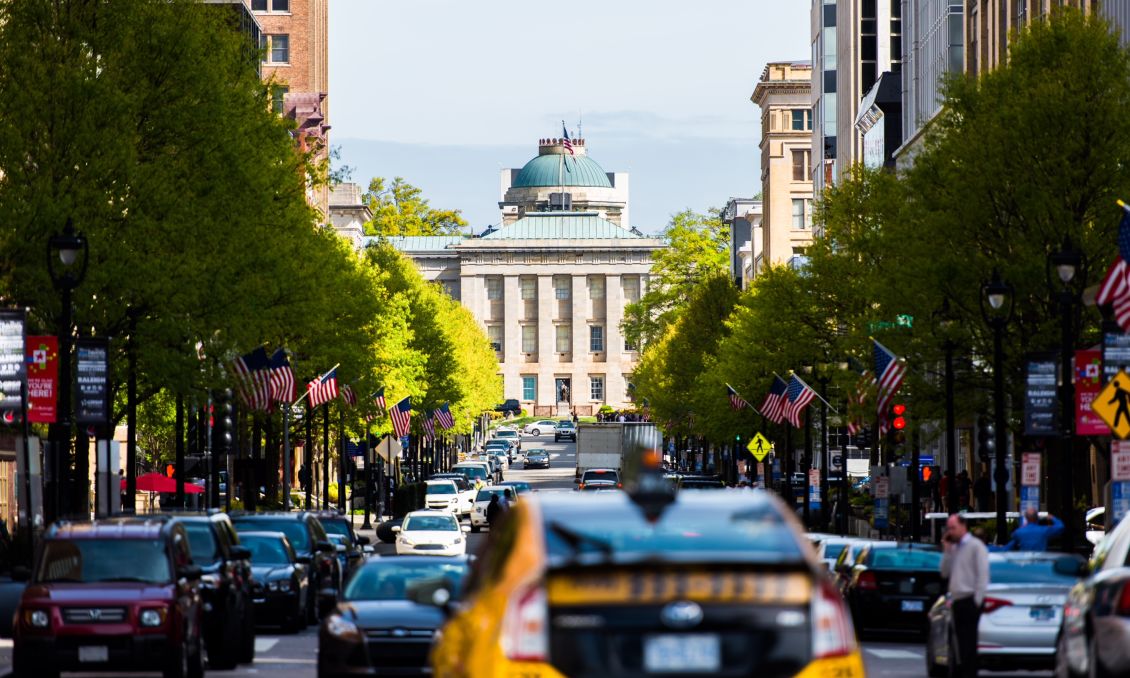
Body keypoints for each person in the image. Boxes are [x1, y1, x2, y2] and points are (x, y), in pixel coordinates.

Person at [941, 514, 989, 678]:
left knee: (969, 643)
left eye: (953, 528)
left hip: (970, 599)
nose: (951, 532)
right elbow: (944, 572)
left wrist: (977, 600)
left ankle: (970, 673)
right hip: (957, 600)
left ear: (963, 526)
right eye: (949, 528)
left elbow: (983, 575)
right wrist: (947, 551)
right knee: (959, 644)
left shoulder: (976, 546)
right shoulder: (954, 548)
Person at [996, 508, 1064, 551]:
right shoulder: (1044, 530)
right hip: (1040, 562)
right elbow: (1061, 526)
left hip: (1025, 564)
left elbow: (1012, 539)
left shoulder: (1019, 532)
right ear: (1037, 518)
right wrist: (1052, 518)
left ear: (1026, 518)